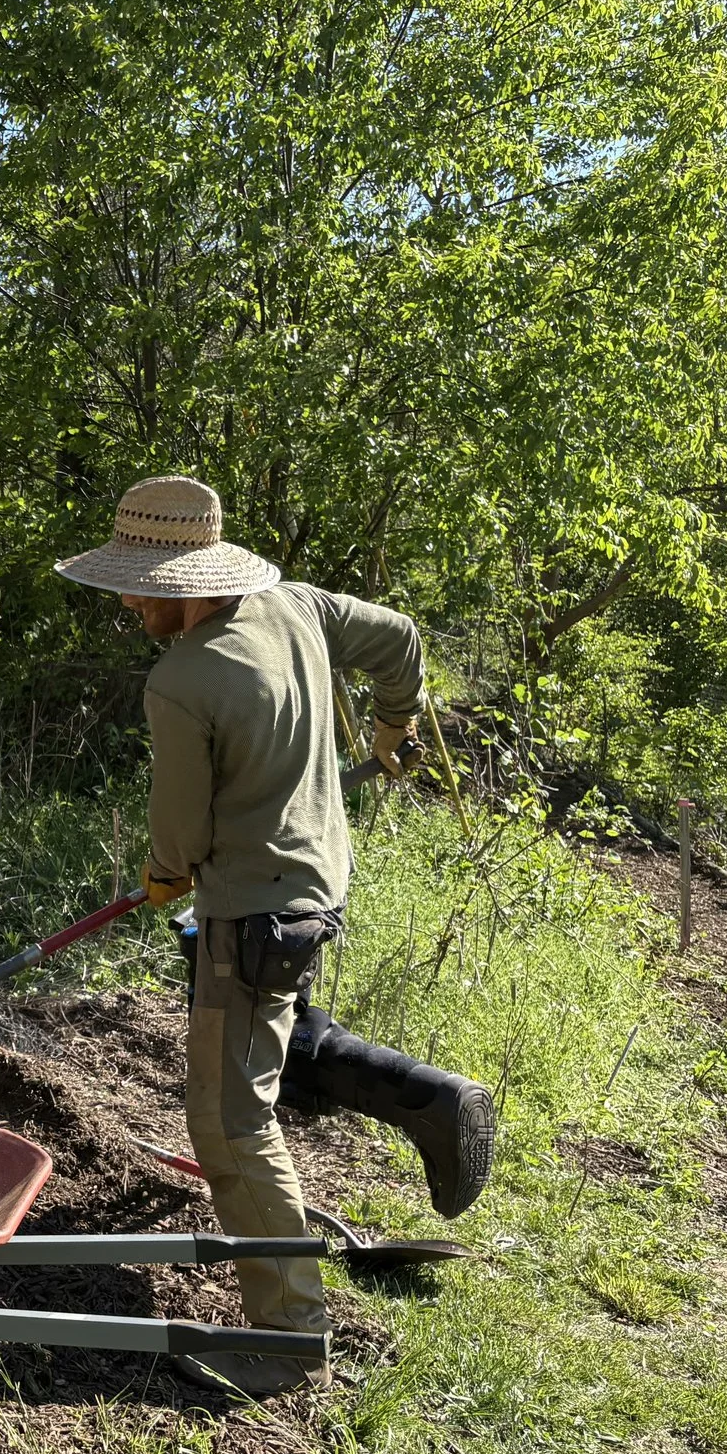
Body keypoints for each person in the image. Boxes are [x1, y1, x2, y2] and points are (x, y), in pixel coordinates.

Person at [56, 475, 436, 1400]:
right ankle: (292, 1300)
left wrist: (166, 873)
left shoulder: (182, 679)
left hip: (254, 917)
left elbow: (180, 838)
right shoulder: (297, 607)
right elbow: (401, 640)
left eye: (142, 586)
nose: (132, 603)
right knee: (248, 1091)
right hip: (313, 891)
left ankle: (291, 1333)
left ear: (188, 579)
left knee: (229, 1119)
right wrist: (396, 723)